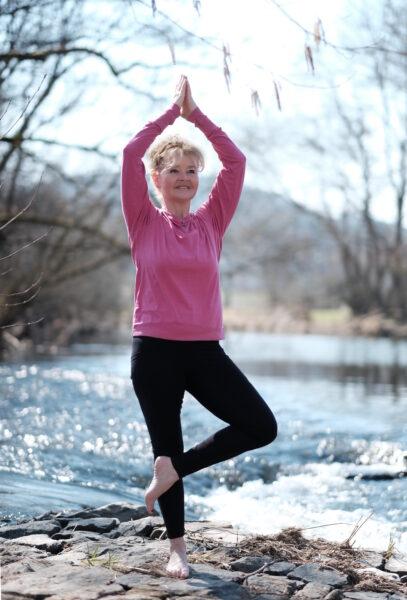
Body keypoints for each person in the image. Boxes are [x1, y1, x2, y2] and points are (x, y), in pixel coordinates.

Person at [121, 74, 278, 579]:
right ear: (156, 178)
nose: (186, 177)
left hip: (204, 351)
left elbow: (237, 162)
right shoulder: (143, 220)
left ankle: (172, 471)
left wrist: (197, 115)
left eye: (193, 169)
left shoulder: (212, 221)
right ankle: (177, 551)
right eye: (175, 170)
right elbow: (130, 154)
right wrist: (171, 115)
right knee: (164, 440)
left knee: (260, 426)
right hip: (154, 352)